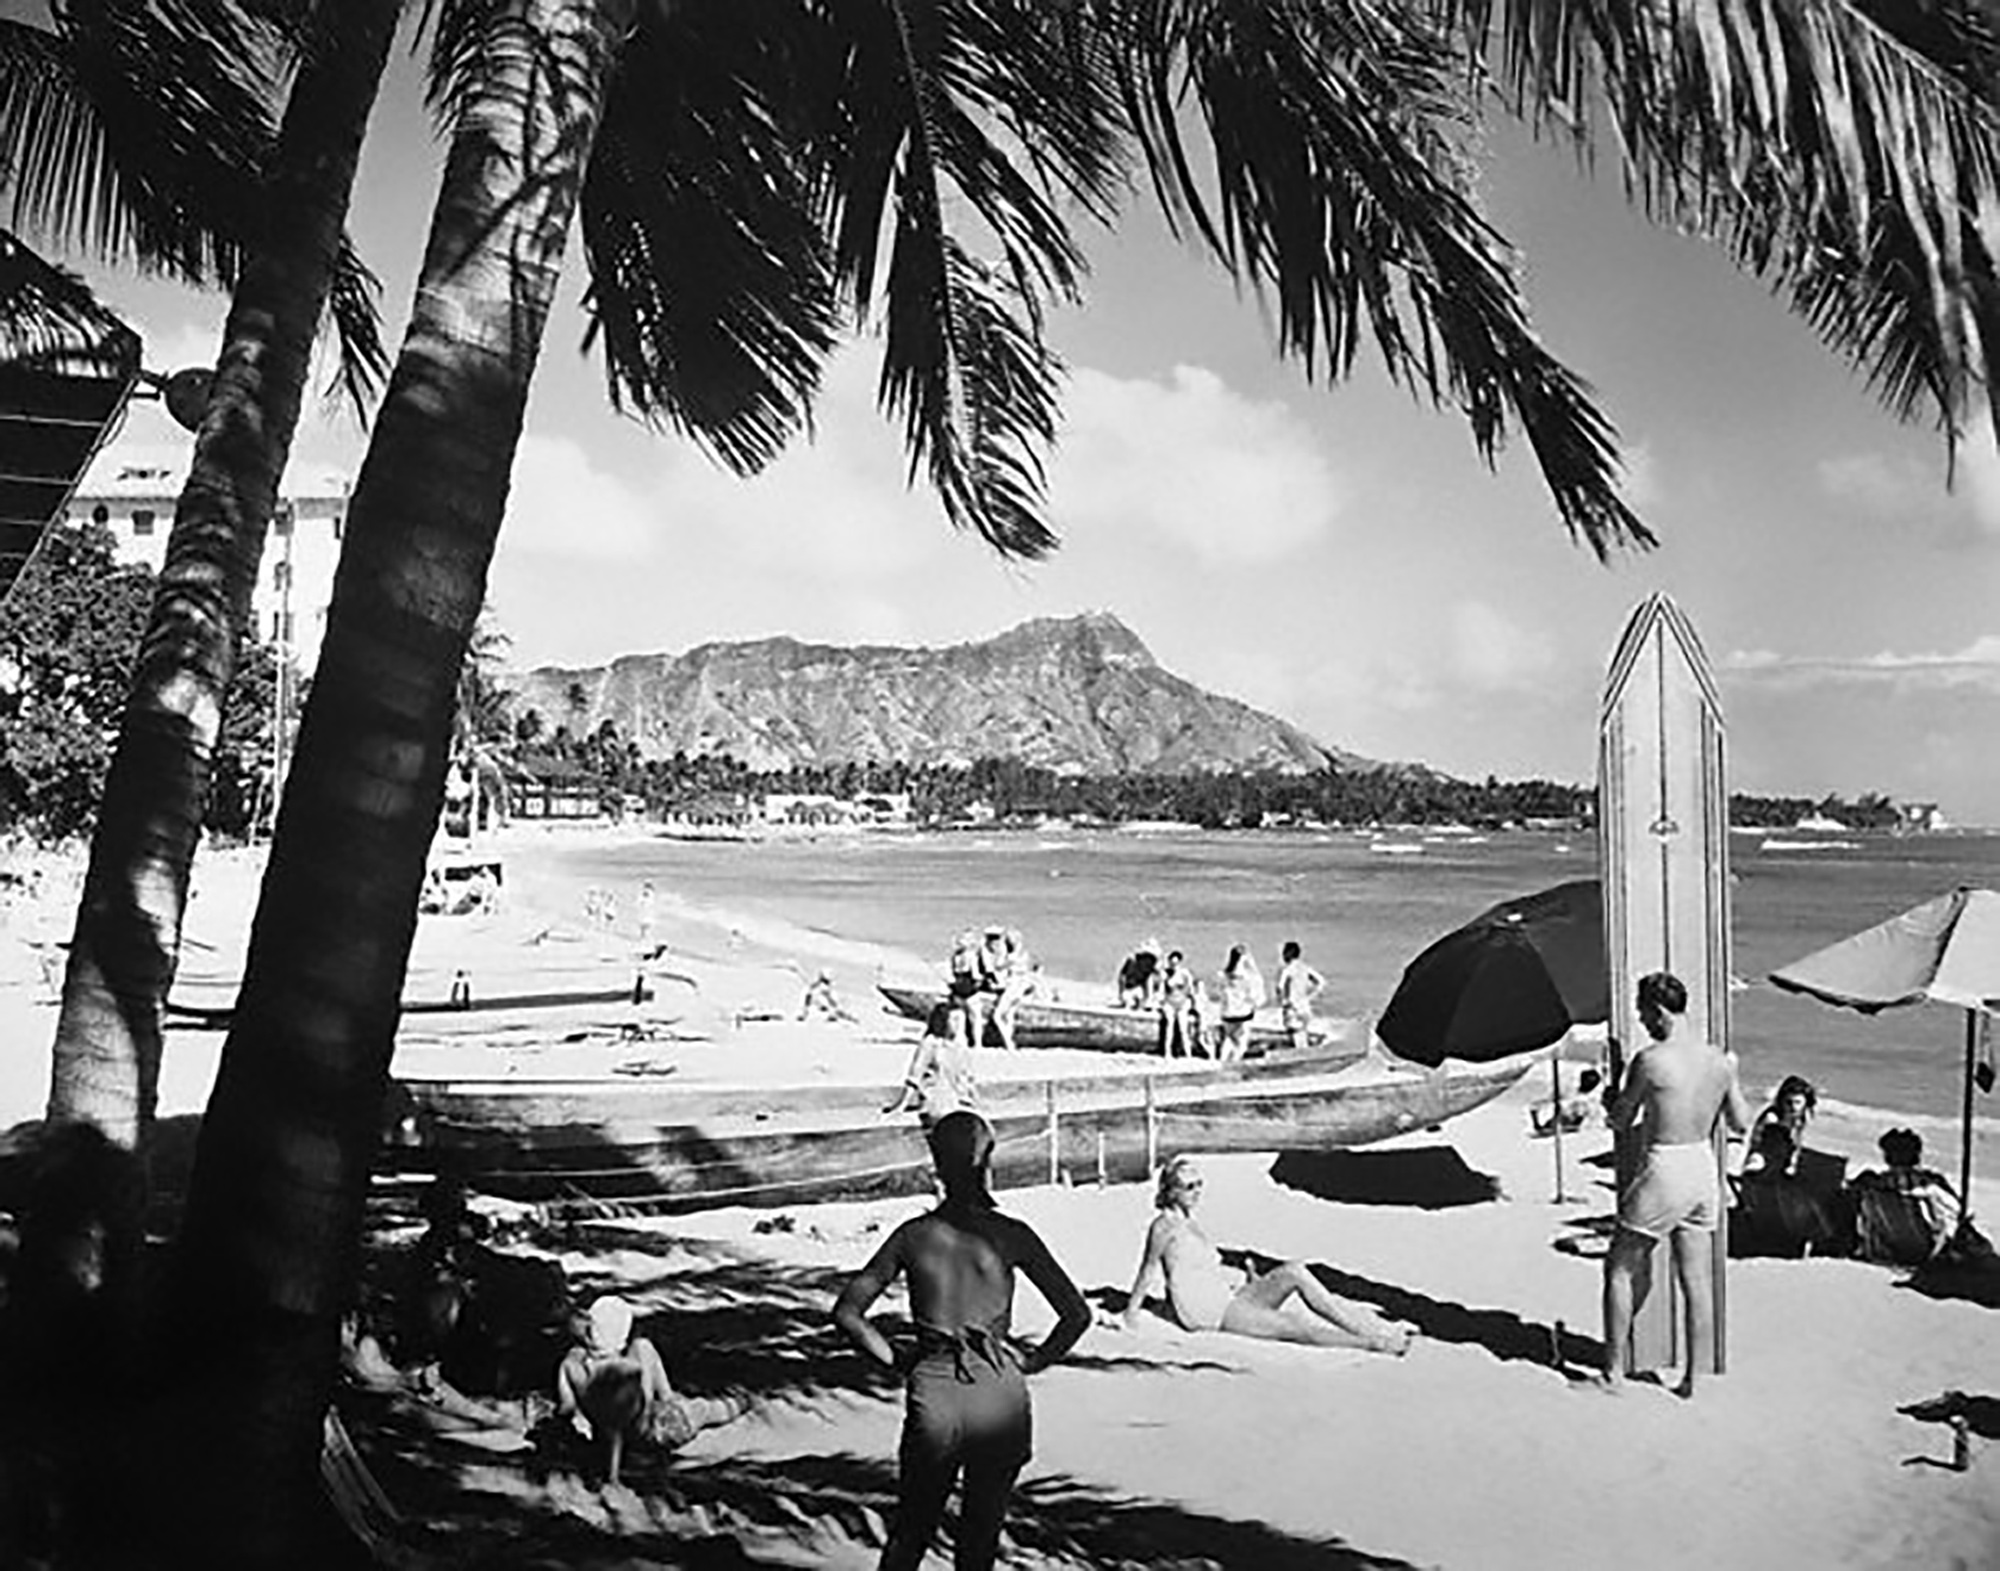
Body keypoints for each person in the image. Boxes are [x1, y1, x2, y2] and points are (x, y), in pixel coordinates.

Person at [834, 1112, 1091, 1571]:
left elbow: (848, 1314)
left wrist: (898, 1359)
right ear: (987, 1161)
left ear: (937, 1163)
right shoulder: (1012, 1234)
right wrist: (1033, 1362)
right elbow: (1076, 1314)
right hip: (998, 1390)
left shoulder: (912, 1236)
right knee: (979, 1542)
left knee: (911, 1531)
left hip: (935, 1387)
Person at [1598, 971, 1751, 1399]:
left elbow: (1621, 1120)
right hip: (1703, 1169)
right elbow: (1741, 1122)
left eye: (1644, 1014)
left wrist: (1612, 1100)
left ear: (1659, 1010)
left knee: (1621, 1266)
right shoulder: (1720, 1061)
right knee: (1696, 1280)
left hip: (1666, 1165)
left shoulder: (1650, 1060)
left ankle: (1612, 1374)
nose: (1643, 1022)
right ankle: (1691, 1382)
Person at [1119, 1154, 1410, 1352]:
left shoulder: (1188, 1222)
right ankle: (1373, 1344)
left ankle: (1363, 1328)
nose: (1197, 1192)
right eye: (1188, 1187)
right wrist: (1131, 1314)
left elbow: (1189, 1272)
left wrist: (1247, 1282)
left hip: (1225, 1298)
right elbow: (1148, 1271)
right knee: (1294, 1327)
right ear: (1170, 1191)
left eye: (1199, 1185)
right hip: (1209, 1313)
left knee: (1294, 1271)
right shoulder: (1164, 1226)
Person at [556, 1295, 748, 1486]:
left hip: (629, 1428)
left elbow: (567, 1408)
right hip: (656, 1431)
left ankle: (674, 1400)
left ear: (588, 1335)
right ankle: (738, 1404)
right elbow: (617, 1429)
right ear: (622, 1339)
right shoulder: (627, 1370)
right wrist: (613, 1478)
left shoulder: (570, 1366)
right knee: (704, 1409)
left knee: (643, 1351)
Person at [1849, 1127, 1962, 1265]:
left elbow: (1848, 1198)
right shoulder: (1930, 1182)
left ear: (1887, 1157)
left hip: (1885, 1249)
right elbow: (1957, 1211)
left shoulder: (1874, 1184)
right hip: (1927, 1251)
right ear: (1917, 1155)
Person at [885, 1002, 980, 1123]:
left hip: (959, 1099)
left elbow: (967, 1078)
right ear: (943, 1021)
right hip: (936, 1100)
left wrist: (975, 1102)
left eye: (962, 1021)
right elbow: (914, 1077)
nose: (959, 1025)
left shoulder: (960, 1046)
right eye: (955, 1020)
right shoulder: (931, 1043)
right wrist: (900, 1105)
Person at [1745, 1074, 1818, 1177]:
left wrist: (1792, 1161)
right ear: (1781, 1101)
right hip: (1764, 1155)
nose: (1793, 1107)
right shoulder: (1771, 1117)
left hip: (1785, 1154)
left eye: (1798, 1103)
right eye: (1789, 1103)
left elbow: (1797, 1140)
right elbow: (1756, 1140)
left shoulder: (1801, 1117)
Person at [1214, 944, 1265, 1062]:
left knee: (1229, 1038)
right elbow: (1254, 994)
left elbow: (1219, 992)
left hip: (1227, 1012)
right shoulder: (1246, 976)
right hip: (1242, 1012)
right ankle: (1236, 1062)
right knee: (1241, 1042)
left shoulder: (1223, 974)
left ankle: (1222, 1061)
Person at [1273, 940, 1324, 1054]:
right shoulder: (1304, 967)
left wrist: (1282, 1002)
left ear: (1287, 953)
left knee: (1295, 1038)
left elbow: (1279, 987)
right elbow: (1320, 982)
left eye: (1284, 952)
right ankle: (1308, 1058)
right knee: (1303, 1036)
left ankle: (1299, 1062)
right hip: (1305, 1006)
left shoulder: (1286, 969)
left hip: (1292, 1007)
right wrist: (1311, 996)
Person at [1157, 949, 1199, 1058]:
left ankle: (1188, 1053)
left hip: (1182, 1003)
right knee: (1169, 1027)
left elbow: (1190, 990)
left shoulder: (1185, 974)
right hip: (1169, 1003)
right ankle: (1167, 1052)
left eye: (1175, 963)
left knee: (1183, 1029)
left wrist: (1194, 1005)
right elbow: (1161, 990)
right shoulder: (1165, 974)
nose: (1173, 965)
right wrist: (1160, 1003)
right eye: (1171, 963)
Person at [1117, 938, 1163, 1009]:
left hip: (1131, 990)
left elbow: (1121, 978)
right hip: (1134, 990)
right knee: (1150, 978)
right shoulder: (1146, 967)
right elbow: (1122, 978)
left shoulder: (1131, 961)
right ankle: (1146, 1001)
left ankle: (1141, 1001)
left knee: (1150, 979)